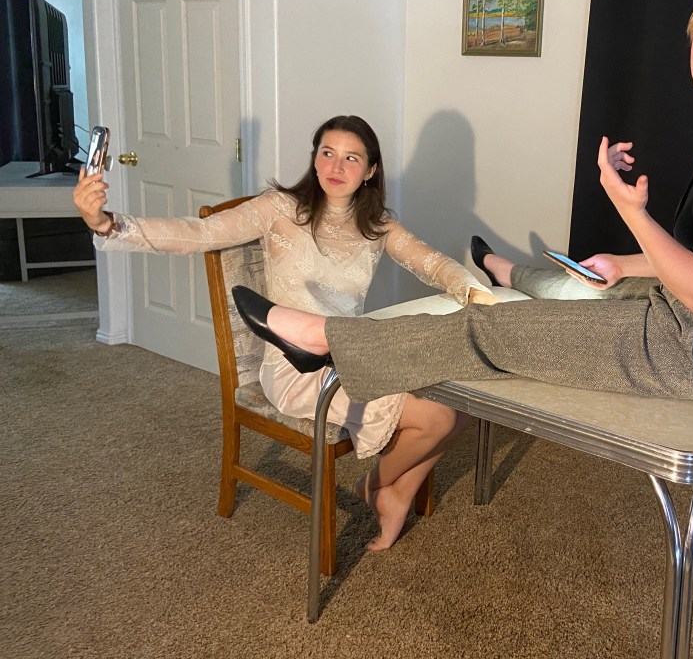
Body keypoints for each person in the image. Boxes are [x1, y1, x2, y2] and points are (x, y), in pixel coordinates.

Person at [231, 0, 693, 419]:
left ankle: (323, 340)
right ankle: (507, 272)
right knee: (583, 283)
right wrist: (623, 262)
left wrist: (630, 213)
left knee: (487, 329)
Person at [72, 114, 497, 551]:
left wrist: (472, 291)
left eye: (351, 158)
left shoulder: (377, 225)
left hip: (354, 350)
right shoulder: (279, 209)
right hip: (297, 366)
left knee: (458, 404)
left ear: (370, 170)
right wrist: (106, 223)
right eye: (327, 153)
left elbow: (433, 263)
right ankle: (376, 485)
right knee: (436, 416)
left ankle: (394, 492)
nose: (336, 166)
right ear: (314, 158)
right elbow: (198, 234)